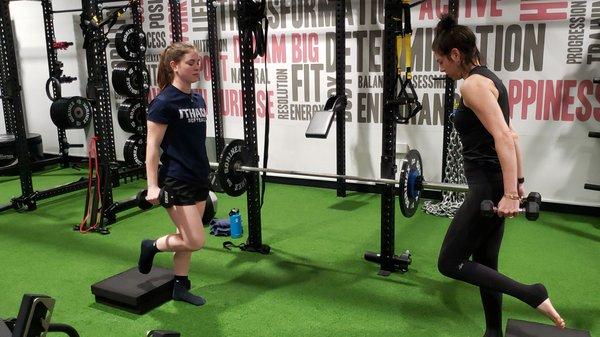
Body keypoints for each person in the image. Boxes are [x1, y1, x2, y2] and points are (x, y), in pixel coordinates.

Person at [432, 14, 565, 336]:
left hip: (486, 187)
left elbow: (504, 138)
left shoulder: (473, 85)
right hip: (494, 183)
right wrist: (517, 183)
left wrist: (509, 194)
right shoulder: (491, 79)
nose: (440, 69)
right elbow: (512, 136)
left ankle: (531, 293)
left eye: (440, 61)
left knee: (449, 263)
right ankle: (493, 331)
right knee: (485, 261)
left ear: (455, 54)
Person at [137, 42, 210, 306]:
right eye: (191, 62)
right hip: (177, 179)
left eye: (198, 62)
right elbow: (152, 147)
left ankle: (180, 286)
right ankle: (152, 246)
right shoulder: (163, 102)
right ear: (174, 66)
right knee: (195, 239)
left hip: (199, 175)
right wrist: (152, 186)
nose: (196, 67)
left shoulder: (197, 98)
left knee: (187, 239)